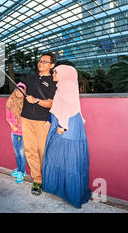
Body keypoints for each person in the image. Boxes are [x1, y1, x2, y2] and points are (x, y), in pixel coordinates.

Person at [42, 65, 92, 208]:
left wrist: (62, 125)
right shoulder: (62, 85)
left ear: (64, 73)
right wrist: (51, 121)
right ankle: (62, 190)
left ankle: (72, 194)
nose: (53, 75)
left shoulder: (67, 84)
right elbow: (60, 105)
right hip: (63, 122)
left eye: (55, 72)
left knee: (69, 158)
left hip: (67, 124)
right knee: (61, 157)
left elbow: (70, 106)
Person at [20, 52, 57, 195]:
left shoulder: (54, 81)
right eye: (39, 61)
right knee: (30, 150)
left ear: (52, 65)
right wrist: (19, 90)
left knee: (44, 152)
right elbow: (22, 87)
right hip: (26, 118)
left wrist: (35, 100)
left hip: (43, 121)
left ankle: (48, 179)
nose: (40, 63)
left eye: (44, 62)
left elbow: (51, 103)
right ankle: (37, 181)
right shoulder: (30, 78)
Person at [5, 82, 27, 184]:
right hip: (13, 131)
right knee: (17, 152)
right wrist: (12, 125)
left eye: (21, 91)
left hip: (24, 132)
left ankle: (21, 172)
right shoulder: (10, 102)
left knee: (22, 153)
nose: (19, 93)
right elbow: (8, 116)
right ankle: (19, 169)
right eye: (18, 90)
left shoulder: (26, 104)